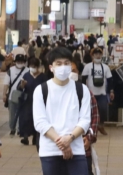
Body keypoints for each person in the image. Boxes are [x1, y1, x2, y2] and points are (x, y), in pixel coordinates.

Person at [33, 47, 91, 175]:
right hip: (50, 151)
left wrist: (69, 139)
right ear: (51, 67)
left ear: (71, 66)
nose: (63, 67)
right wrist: (62, 143)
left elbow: (85, 120)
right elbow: (40, 122)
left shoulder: (81, 89)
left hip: (76, 150)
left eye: (66, 63)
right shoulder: (41, 90)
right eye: (58, 64)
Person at [70, 62, 100, 175]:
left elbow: (95, 117)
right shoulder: (55, 92)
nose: (71, 73)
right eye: (69, 71)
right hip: (61, 148)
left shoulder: (85, 92)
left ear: (78, 73)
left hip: (82, 146)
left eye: (74, 70)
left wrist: (89, 137)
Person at [82, 48, 114, 135]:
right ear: (92, 55)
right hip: (90, 94)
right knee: (89, 112)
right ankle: (90, 129)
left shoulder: (106, 67)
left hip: (102, 93)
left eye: (99, 54)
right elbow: (83, 80)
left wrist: (111, 92)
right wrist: (84, 91)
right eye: (96, 54)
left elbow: (110, 80)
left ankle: (100, 125)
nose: (98, 56)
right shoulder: (87, 67)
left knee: (103, 109)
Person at [19, 58, 46, 145]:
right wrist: (22, 85)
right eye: (31, 66)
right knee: (26, 118)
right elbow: (20, 88)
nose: (32, 68)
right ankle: (25, 137)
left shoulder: (43, 77)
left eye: (34, 66)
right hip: (27, 100)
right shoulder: (26, 75)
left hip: (39, 101)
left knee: (36, 118)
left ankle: (35, 137)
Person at [3, 54, 29, 136]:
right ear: (15, 62)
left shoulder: (28, 71)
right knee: (12, 114)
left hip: (24, 96)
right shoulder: (10, 70)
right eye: (18, 61)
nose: (20, 63)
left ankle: (19, 129)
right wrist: (4, 94)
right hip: (12, 96)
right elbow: (6, 83)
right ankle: (12, 128)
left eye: (22, 62)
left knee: (22, 114)